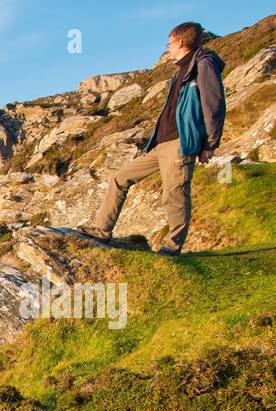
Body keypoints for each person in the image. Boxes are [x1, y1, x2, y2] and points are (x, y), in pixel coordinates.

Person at [83, 22, 225, 255]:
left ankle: (172, 246)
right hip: (160, 144)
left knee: (174, 194)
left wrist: (210, 143)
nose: (168, 47)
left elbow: (215, 104)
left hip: (180, 142)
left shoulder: (204, 65)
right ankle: (101, 230)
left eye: (169, 43)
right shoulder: (180, 69)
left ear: (179, 42)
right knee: (120, 178)